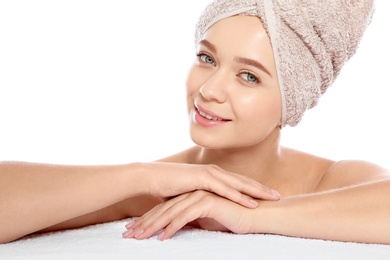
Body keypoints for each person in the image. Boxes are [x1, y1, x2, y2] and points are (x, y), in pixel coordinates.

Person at [1, 0, 389, 245]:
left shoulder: (333, 181)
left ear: (294, 99)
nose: (209, 90)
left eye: (249, 76)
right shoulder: (157, 188)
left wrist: (251, 215)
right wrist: (140, 176)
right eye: (207, 58)